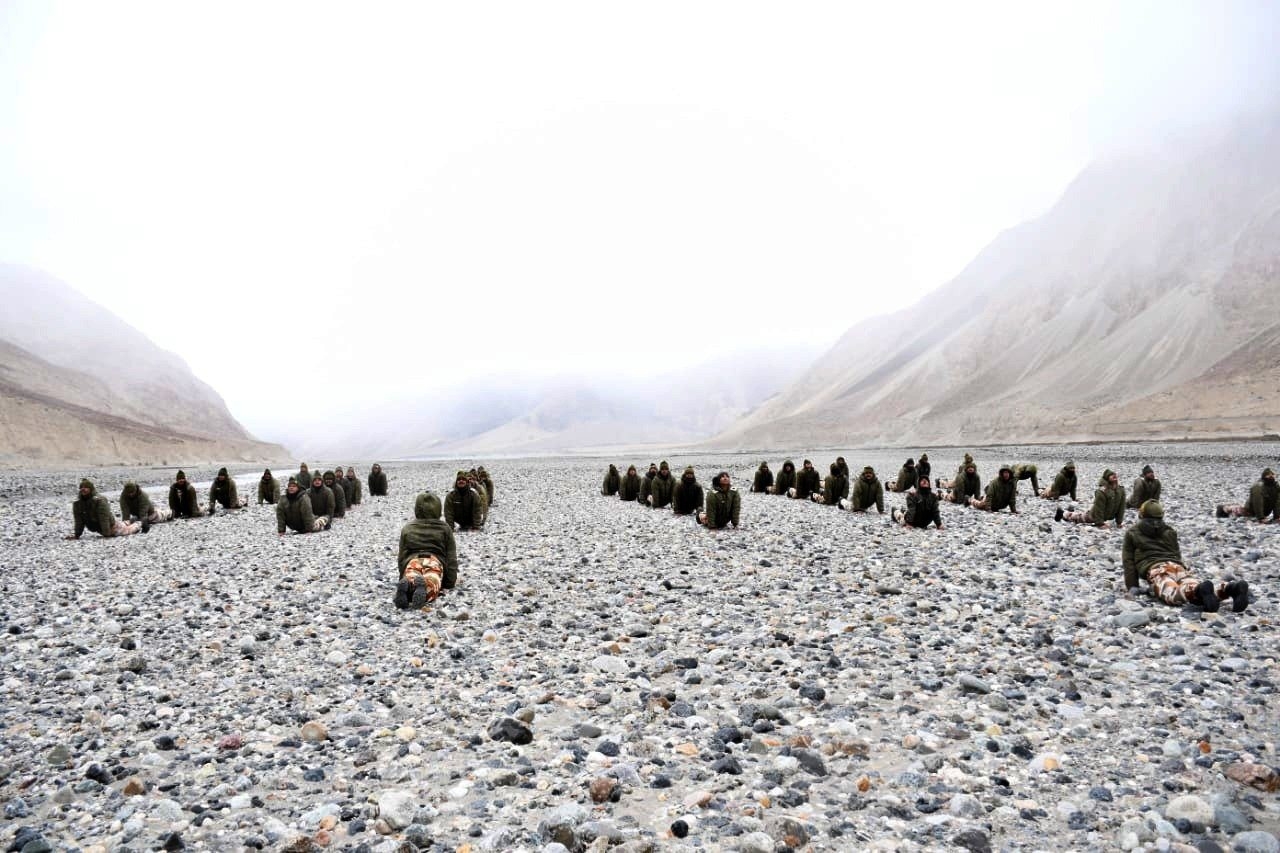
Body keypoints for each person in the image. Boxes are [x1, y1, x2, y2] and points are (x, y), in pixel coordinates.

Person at [1124, 500, 1249, 612]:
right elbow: (1176, 553)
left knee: (1172, 595)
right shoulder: (1169, 530)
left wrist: (1132, 586)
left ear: (1142, 514)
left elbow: (1128, 561)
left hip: (1156, 569)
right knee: (1193, 587)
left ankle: (1201, 591)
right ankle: (1230, 588)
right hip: (1177, 566)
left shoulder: (1132, 533)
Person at [395, 491, 459, 608]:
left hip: (413, 560)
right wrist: (449, 582)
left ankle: (408, 585)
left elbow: (402, 556)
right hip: (434, 561)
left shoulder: (408, 528)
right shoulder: (444, 528)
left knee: (411, 574)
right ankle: (424, 589)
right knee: (432, 579)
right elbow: (451, 557)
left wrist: (402, 573)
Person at [67, 478, 141, 539]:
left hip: (111, 527)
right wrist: (77, 535)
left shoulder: (99, 500)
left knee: (127, 531)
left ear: (91, 489)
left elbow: (104, 518)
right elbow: (79, 520)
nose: (83, 489)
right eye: (81, 487)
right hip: (99, 528)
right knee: (122, 524)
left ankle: (139, 522)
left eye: (86, 487)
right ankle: (130, 521)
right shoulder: (78, 504)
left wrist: (106, 534)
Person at [1057, 468, 1125, 528]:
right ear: (1107, 478)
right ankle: (1062, 513)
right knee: (1079, 518)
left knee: (1080, 515)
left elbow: (1121, 507)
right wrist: (1100, 524)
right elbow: (1099, 509)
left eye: (1115, 475)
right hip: (1094, 515)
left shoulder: (1121, 490)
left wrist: (1119, 522)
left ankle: (1067, 512)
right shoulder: (1101, 492)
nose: (1114, 476)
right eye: (1111, 475)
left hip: (1107, 516)